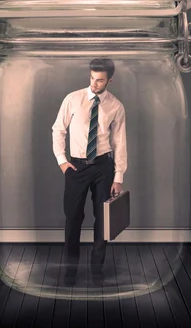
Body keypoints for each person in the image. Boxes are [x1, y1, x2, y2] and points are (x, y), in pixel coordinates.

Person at [52, 58, 127, 286]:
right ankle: (70, 271)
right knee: (73, 218)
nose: (94, 84)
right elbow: (58, 130)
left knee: (103, 219)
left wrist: (118, 176)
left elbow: (120, 143)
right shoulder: (73, 99)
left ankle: (97, 269)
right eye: (92, 78)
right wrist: (62, 161)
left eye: (100, 80)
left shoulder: (116, 106)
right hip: (76, 166)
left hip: (104, 166)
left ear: (110, 80)